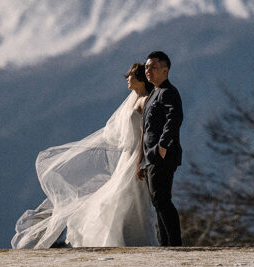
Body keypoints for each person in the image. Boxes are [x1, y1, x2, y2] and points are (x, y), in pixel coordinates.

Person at [12, 63, 157, 248]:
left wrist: (140, 162)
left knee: (132, 199)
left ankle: (139, 240)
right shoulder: (132, 100)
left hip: (136, 156)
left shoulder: (146, 100)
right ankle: (124, 239)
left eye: (130, 76)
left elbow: (145, 133)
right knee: (118, 199)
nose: (127, 79)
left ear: (139, 78)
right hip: (126, 157)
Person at [137, 50, 184, 246]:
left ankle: (174, 245)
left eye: (153, 67)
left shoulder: (168, 92)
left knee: (162, 200)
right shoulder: (153, 94)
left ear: (165, 70)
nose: (148, 71)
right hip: (151, 156)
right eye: (147, 67)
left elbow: (175, 118)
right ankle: (167, 245)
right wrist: (143, 160)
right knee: (159, 201)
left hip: (162, 154)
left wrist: (163, 145)